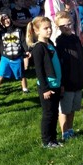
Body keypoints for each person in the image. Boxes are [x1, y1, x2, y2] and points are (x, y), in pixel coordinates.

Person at [27, 16, 63, 149]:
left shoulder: (51, 44)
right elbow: (39, 71)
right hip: (47, 87)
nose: (49, 30)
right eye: (45, 28)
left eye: (50, 27)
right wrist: (45, 89)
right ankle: (46, 140)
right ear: (37, 31)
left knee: (54, 113)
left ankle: (53, 138)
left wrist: (61, 84)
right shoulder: (38, 48)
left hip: (56, 84)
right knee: (48, 114)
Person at [53, 10, 83, 141]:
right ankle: (64, 131)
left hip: (77, 78)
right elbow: (60, 63)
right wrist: (61, 83)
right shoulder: (60, 41)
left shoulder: (76, 39)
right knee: (65, 109)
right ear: (58, 27)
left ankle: (70, 129)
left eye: (69, 24)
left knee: (73, 107)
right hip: (66, 81)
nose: (67, 27)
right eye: (63, 26)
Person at [0, 11, 30, 102]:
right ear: (1, 22)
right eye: (4, 20)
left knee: (21, 75)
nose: (6, 21)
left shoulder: (18, 30)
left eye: (7, 18)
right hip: (5, 58)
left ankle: (25, 90)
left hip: (17, 57)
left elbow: (23, 42)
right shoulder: (0, 32)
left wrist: (27, 51)